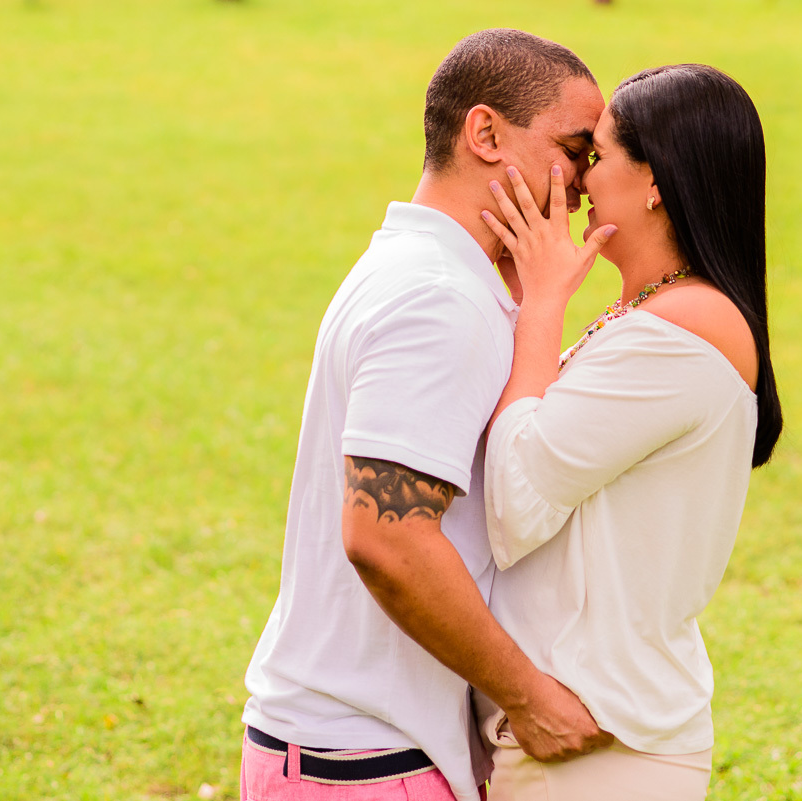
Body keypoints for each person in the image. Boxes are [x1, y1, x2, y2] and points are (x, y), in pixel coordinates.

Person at [240, 29, 616, 801]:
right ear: (484, 132)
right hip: (369, 763)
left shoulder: (429, 271)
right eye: (576, 149)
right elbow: (385, 535)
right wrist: (530, 697)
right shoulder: (438, 300)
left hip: (353, 753)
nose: (586, 181)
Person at [477, 64, 783, 800]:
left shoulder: (678, 334)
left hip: (600, 746)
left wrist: (544, 302)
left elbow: (515, 503)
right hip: (584, 737)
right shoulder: (652, 316)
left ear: (655, 180)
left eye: (599, 153)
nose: (578, 179)